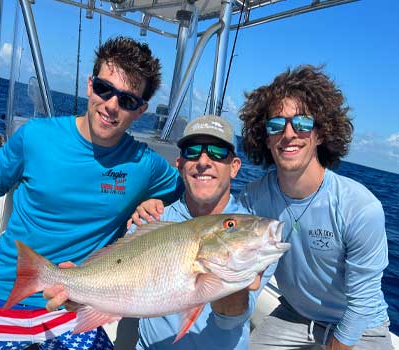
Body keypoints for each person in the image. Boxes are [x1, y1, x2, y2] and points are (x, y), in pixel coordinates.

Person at [0, 36, 183, 349]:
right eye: (105, 89)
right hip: (0, 296)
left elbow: (190, 192)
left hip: (74, 304)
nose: (112, 105)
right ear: (90, 85)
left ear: (140, 111)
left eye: (127, 101)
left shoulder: (147, 166)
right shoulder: (35, 136)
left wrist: (156, 200)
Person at [44, 114, 265, 350]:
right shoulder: (152, 218)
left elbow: (230, 320)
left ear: (234, 167)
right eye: (192, 151)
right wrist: (78, 294)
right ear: (179, 165)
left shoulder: (251, 231)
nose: (203, 161)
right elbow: (114, 286)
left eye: (217, 151)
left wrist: (228, 278)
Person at [239, 64, 393, 350]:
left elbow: (361, 304)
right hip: (294, 316)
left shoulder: (359, 207)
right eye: (276, 125)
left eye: (302, 123)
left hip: (363, 327)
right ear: (266, 137)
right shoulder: (254, 197)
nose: (288, 134)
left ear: (320, 134)